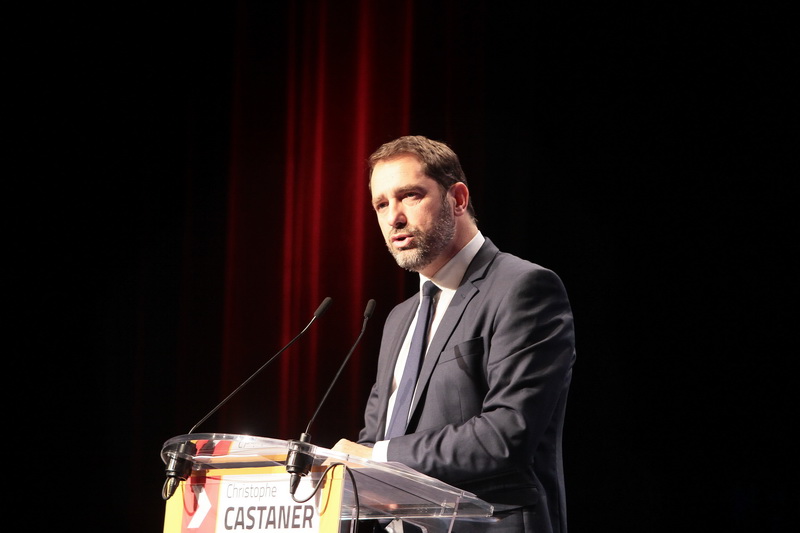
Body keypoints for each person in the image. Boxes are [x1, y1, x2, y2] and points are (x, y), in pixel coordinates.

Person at [333, 135, 576, 532]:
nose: (393, 217)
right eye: (381, 204)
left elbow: (506, 434)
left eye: (409, 196)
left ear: (458, 199)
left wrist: (377, 457)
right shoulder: (399, 318)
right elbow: (372, 439)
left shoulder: (523, 288)